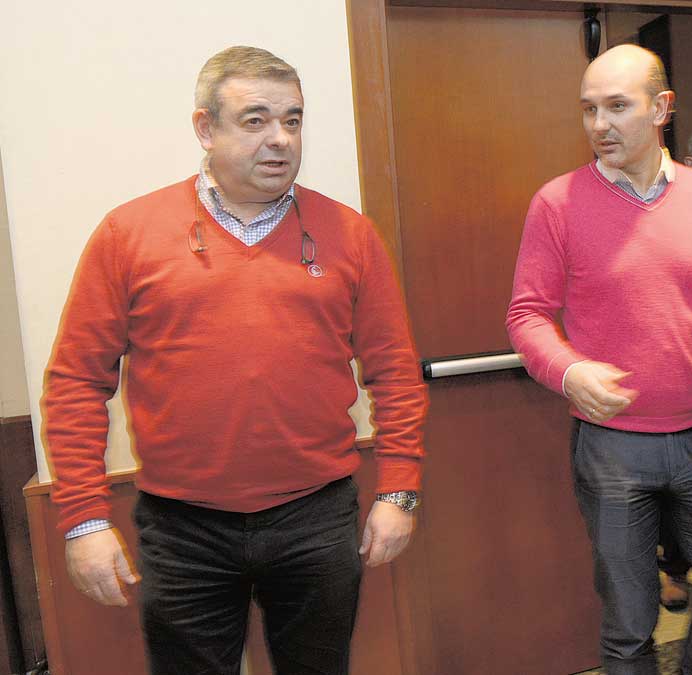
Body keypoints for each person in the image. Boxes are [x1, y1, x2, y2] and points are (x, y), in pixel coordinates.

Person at [42, 46, 429, 675]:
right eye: (255, 120)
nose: (280, 139)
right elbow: (75, 383)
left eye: (293, 120)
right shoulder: (129, 234)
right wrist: (83, 518)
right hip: (182, 527)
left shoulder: (350, 234)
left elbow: (394, 372)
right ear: (205, 128)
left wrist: (400, 490)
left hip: (317, 517)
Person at [506, 44, 692, 675]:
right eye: (589, 109)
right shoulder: (557, 202)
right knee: (630, 624)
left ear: (662, 108)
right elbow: (526, 314)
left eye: (617, 107)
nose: (600, 124)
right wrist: (570, 370)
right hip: (613, 447)